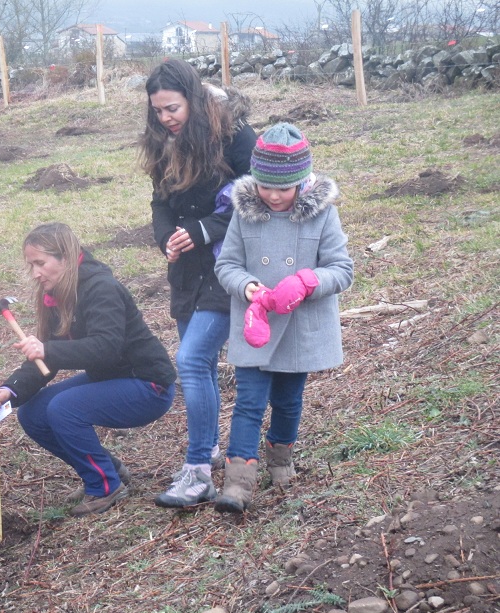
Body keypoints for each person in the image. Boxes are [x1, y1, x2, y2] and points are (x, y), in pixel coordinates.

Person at [213, 123, 354, 513]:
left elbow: (342, 269)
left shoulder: (323, 216)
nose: (273, 196)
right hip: (255, 325)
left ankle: (280, 455)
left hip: (298, 328)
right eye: (265, 186)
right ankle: (238, 482)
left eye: (283, 188)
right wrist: (249, 288)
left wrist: (309, 280)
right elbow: (226, 265)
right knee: (248, 401)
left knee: (289, 401)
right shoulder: (245, 215)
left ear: (302, 182)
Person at [0, 222, 177, 517]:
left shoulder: (101, 288)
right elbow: (45, 361)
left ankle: (104, 486)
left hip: (148, 385)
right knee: (33, 413)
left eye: (41, 263)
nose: (35, 272)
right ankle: (106, 469)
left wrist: (48, 349)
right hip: (110, 379)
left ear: (65, 257)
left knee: (63, 408)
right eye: (31, 265)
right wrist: (10, 389)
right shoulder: (55, 294)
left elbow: (106, 348)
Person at [139, 59, 257, 508]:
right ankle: (205, 454)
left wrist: (206, 228)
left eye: (172, 108)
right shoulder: (165, 143)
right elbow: (160, 200)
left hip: (229, 263)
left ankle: (196, 472)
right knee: (200, 366)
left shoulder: (235, 135)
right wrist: (164, 236)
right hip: (187, 270)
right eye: (158, 111)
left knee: (189, 360)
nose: (166, 118)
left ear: (192, 97)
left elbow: (260, 195)